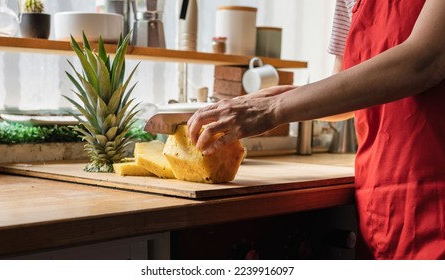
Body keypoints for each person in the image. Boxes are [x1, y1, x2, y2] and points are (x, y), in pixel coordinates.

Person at [187, 0, 445, 260]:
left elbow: (427, 61)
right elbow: (346, 86)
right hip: (382, 204)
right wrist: (281, 97)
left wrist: (274, 109)